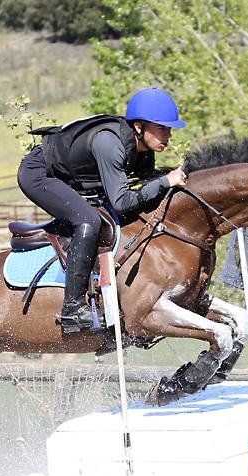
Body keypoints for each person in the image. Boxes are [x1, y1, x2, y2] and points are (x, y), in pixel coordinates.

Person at [17, 87, 188, 334]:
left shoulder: (144, 152)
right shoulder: (110, 143)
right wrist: (165, 181)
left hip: (69, 178)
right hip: (39, 174)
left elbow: (143, 188)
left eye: (169, 129)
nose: (168, 135)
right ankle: (72, 310)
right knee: (88, 220)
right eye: (162, 128)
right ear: (139, 127)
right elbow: (121, 201)